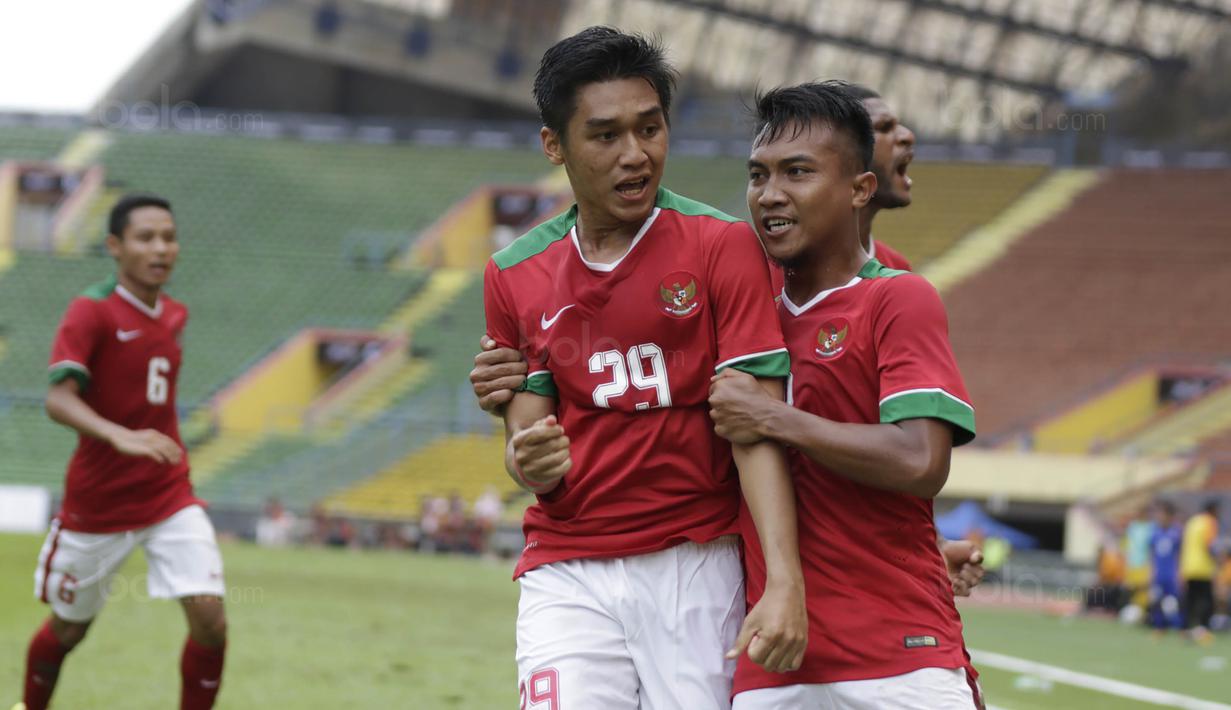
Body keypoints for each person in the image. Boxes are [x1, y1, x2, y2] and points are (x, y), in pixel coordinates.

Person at [484, 27, 807, 708]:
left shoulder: (721, 248)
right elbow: (525, 440)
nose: (635, 155)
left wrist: (783, 580)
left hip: (693, 566)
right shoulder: (513, 273)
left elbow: (753, 430)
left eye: (650, 128)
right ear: (554, 145)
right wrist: (528, 460)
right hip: (565, 567)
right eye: (605, 135)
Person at [707, 81, 981, 708]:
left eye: (796, 173)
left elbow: (920, 462)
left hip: (899, 655)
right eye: (758, 175)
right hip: (772, 657)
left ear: (859, 189)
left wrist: (774, 417)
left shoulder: (898, 297)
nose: (770, 194)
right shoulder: (739, 310)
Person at [16, 194, 227, 710]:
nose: (161, 248)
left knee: (209, 618)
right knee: (68, 630)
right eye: (146, 237)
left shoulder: (175, 314)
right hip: (98, 503)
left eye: (169, 237)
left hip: (167, 494)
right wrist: (118, 434)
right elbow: (58, 398)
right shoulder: (91, 310)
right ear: (115, 246)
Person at [1179, 499, 1220, 643]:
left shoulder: (1192, 522)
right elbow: (1209, 544)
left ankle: (1187, 629)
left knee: (1191, 600)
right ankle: (1204, 630)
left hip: (1189, 567)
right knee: (1206, 599)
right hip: (1203, 568)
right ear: (1213, 510)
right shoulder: (1209, 522)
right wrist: (1217, 561)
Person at [1149, 500, 1185, 632]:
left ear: (1169, 516)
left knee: (1175, 602)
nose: (1159, 516)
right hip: (1159, 574)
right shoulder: (1155, 532)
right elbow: (1152, 553)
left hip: (1172, 574)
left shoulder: (1177, 532)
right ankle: (1159, 627)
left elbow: (1180, 554)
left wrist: (1180, 572)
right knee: (1156, 600)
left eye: (1161, 513)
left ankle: (1179, 627)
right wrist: (1151, 571)